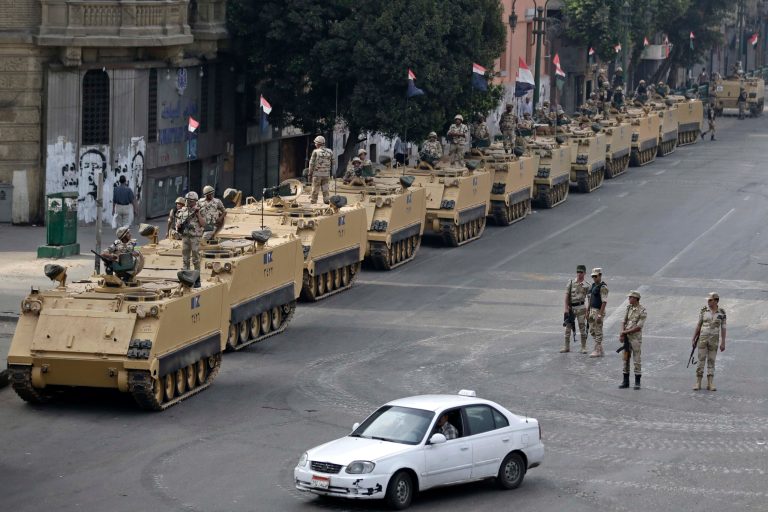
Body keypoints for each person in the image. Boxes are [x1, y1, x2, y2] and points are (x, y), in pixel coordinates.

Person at [692, 292, 726, 391]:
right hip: (702, 339)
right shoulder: (704, 310)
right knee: (701, 360)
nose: (708, 301)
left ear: (716, 301)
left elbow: (723, 328)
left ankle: (710, 383)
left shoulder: (722, 313)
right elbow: (699, 325)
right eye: (708, 300)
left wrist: (723, 342)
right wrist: (694, 337)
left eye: (710, 300)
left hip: (714, 341)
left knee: (711, 361)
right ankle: (698, 382)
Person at [618, 291, 647, 389]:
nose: (629, 299)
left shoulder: (642, 311)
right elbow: (623, 321)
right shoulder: (628, 308)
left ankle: (637, 382)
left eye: (630, 297)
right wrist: (622, 333)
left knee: (637, 359)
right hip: (626, 339)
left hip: (635, 339)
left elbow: (639, 327)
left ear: (635, 299)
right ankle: (625, 381)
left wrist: (625, 332)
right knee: (625, 359)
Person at [562, 265, 591, 353]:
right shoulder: (571, 282)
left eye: (581, 272)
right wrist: (566, 308)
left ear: (584, 273)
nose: (579, 274)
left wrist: (588, 311)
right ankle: (566, 347)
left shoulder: (587, 285)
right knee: (568, 327)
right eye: (578, 272)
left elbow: (590, 299)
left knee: (582, 327)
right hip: (571, 308)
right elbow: (566, 296)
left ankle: (583, 347)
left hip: (581, 307)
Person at [176, 191, 206, 275]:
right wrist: (178, 225)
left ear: (195, 201)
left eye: (191, 201)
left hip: (195, 236)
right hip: (185, 236)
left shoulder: (200, 210)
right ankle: (186, 275)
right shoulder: (182, 210)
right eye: (187, 200)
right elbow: (178, 221)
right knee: (185, 257)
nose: (189, 202)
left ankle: (196, 278)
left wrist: (198, 214)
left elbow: (203, 224)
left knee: (195, 258)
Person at [587, 267, 608, 357]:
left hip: (598, 311)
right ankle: (600, 347)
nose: (594, 278)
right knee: (592, 330)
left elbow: (604, 302)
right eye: (593, 276)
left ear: (600, 275)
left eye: (596, 276)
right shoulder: (593, 286)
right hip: (592, 310)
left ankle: (597, 350)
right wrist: (587, 310)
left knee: (598, 330)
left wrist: (600, 315)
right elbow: (590, 299)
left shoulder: (603, 287)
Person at [308, 135, 333, 204]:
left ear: (318, 143)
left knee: (315, 189)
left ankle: (313, 202)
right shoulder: (330, 151)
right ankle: (326, 201)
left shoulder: (315, 152)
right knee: (325, 189)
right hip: (326, 174)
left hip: (317, 174)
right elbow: (333, 162)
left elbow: (311, 163)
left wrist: (310, 173)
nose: (315, 144)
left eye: (315, 143)